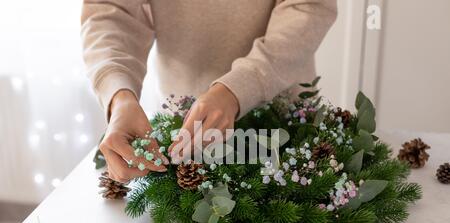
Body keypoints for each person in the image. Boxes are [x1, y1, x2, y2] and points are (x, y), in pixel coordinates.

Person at [81, 0, 337, 183]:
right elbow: (110, 11)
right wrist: (120, 96)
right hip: (183, 130)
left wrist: (240, 86)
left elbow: (308, 7)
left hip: (284, 127)